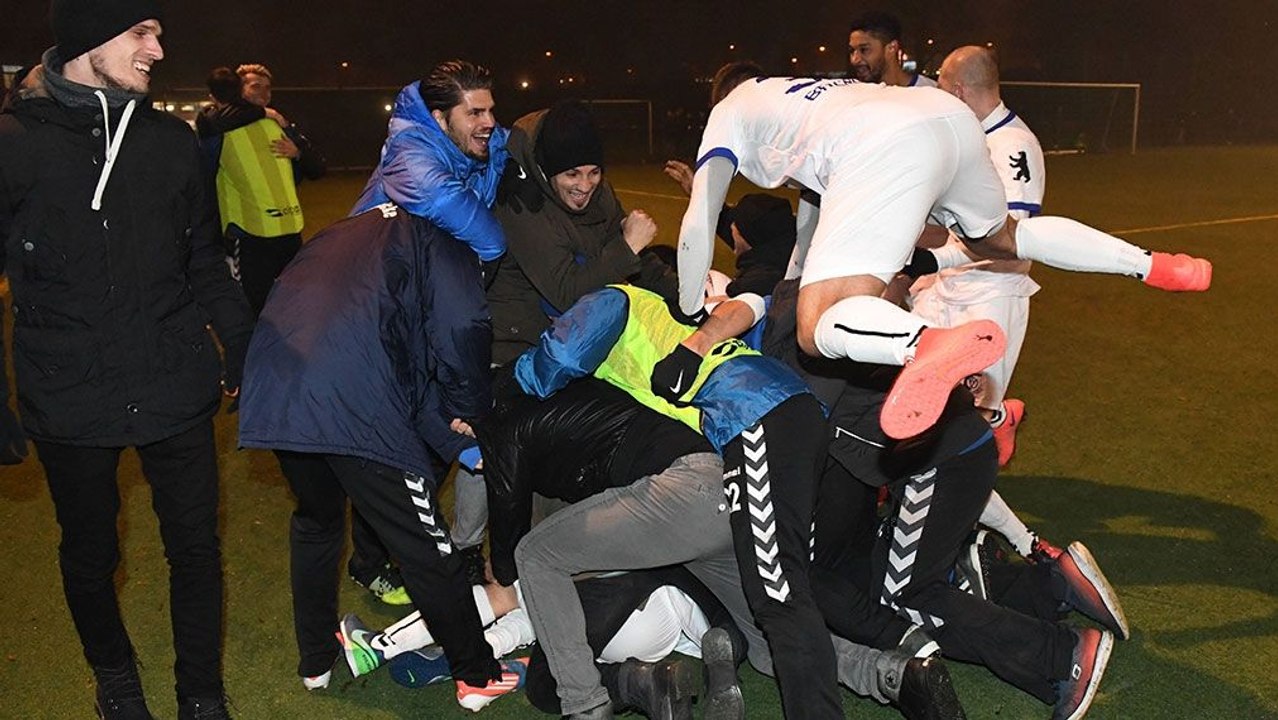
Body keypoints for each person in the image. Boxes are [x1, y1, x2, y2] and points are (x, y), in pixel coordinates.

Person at [675, 62, 1212, 443]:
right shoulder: (800, 93)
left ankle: (926, 343)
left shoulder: (731, 112)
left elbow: (699, 219)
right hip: (943, 117)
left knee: (815, 328)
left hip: (882, 142)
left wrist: (691, 316)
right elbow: (836, 216)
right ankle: (1153, 265)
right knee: (1003, 237)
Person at [509, 286, 965, 720]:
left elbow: (559, 359)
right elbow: (750, 303)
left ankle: (586, 701)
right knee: (772, 621)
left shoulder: (617, 303)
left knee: (782, 601)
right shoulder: (676, 321)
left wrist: (508, 381)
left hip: (750, 423)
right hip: (754, 445)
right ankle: (892, 673)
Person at [0, 2, 254, 718]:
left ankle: (201, 695)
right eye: (141, 32)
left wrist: (240, 340)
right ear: (89, 41)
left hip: (174, 380)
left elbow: (204, 258)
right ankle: (115, 679)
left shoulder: (170, 143)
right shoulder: (15, 144)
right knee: (89, 553)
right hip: (69, 391)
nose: (158, 46)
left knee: (196, 550)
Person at [237, 204, 526, 711]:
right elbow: (447, 342)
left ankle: (316, 661)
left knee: (316, 521)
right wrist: (471, 413)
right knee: (426, 543)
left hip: (280, 387)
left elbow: (402, 365)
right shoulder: (440, 241)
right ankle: (476, 672)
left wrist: (465, 447)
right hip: (348, 397)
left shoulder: (359, 230)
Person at [350, 59, 510, 584]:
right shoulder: (412, 157)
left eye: (492, 109)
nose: (488, 122)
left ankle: (396, 555)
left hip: (418, 318)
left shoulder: (462, 148)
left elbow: (511, 144)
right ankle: (374, 564)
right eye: (476, 112)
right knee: (396, 451)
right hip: (376, 318)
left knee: (436, 443)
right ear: (441, 118)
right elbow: (485, 238)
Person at [908, 45, 1043, 466]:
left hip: (991, 292)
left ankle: (996, 422)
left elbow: (1007, 239)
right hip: (944, 287)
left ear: (961, 91)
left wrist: (936, 253)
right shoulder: (966, 140)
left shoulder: (1012, 146)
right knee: (916, 388)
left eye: (943, 86)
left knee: (971, 414)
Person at [489, 99, 676, 365]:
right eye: (572, 174)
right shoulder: (522, 205)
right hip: (519, 352)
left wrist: (690, 298)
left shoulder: (600, 195)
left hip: (571, 343)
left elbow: (638, 262)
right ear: (545, 170)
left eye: (594, 172)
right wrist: (626, 247)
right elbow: (566, 294)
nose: (585, 185)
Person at [847, 11, 937, 88]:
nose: (854, 60)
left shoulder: (934, 94)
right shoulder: (853, 97)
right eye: (852, 51)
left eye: (864, 50)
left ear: (891, 48)